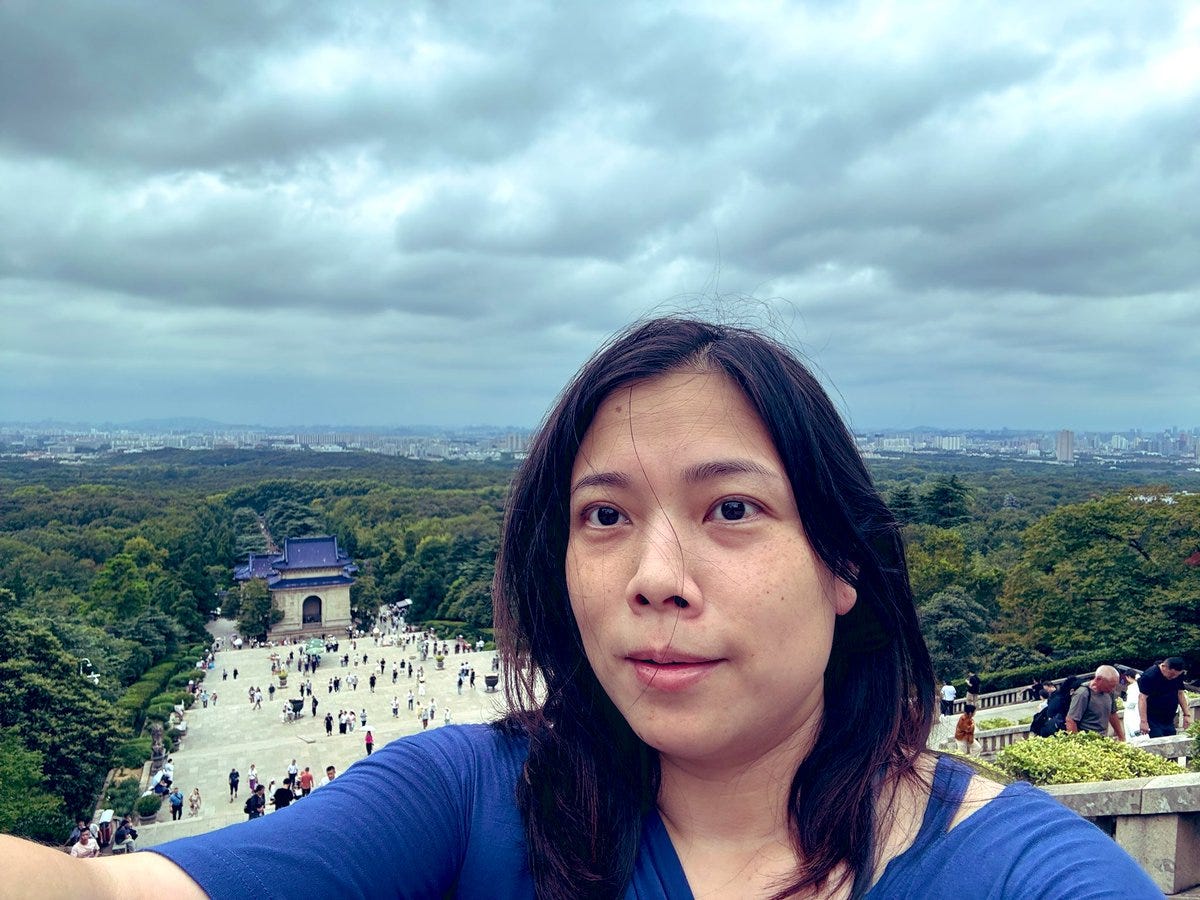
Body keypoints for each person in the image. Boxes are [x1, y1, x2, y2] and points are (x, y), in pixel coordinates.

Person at [0, 317, 1161, 896]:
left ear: (845, 565)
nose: (655, 573)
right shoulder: (467, 803)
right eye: (603, 516)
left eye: (733, 511)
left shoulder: (1014, 873)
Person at [1065, 665, 1126, 740]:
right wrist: (1077, 743)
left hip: (1103, 738)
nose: (1113, 689)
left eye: (1114, 686)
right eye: (1110, 685)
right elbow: (1070, 720)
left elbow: (1112, 714)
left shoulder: (1109, 692)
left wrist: (1121, 737)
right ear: (1098, 679)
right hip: (1087, 740)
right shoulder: (1083, 693)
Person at [1138, 656, 1191, 738]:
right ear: (1163, 667)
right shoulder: (1150, 676)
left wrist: (1186, 714)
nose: (1173, 677)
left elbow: (1180, 693)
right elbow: (1142, 698)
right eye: (1171, 674)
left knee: (1172, 740)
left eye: (1176, 675)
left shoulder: (1178, 675)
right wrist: (1143, 721)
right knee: (1158, 741)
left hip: (1169, 718)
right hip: (1153, 718)